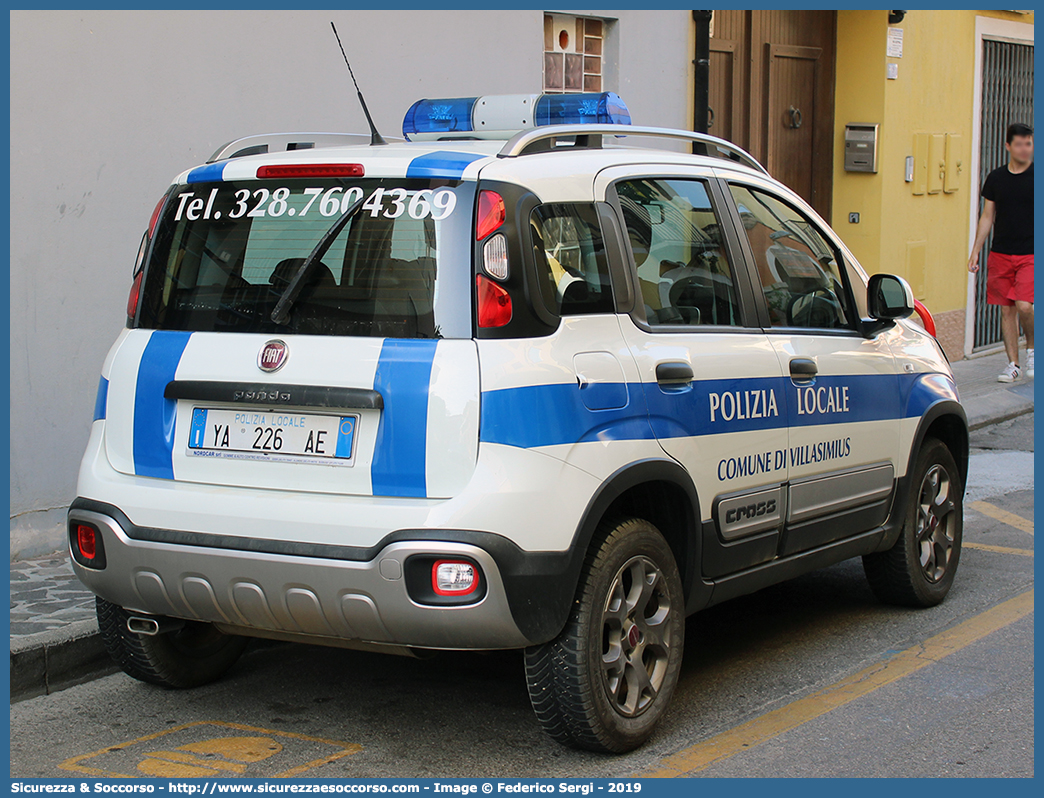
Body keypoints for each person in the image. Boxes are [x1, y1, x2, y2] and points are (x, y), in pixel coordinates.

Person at [968, 122, 1034, 382]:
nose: (1024, 149)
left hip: (1031, 254)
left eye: (1028, 143)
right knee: (1006, 310)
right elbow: (987, 216)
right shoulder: (996, 178)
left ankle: (1032, 350)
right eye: (1019, 144)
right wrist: (976, 251)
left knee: (1025, 306)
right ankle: (1013, 364)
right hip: (1001, 253)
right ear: (1008, 146)